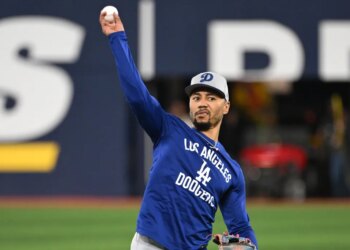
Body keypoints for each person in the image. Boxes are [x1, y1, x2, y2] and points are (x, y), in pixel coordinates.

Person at [99, 11, 258, 250]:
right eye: (196, 97)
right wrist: (117, 38)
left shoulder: (231, 171)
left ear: (226, 107)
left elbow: (241, 228)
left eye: (211, 97)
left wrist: (249, 246)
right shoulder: (169, 130)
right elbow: (137, 95)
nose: (202, 102)